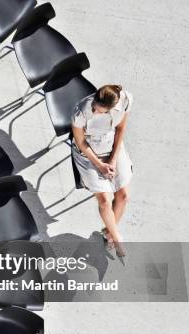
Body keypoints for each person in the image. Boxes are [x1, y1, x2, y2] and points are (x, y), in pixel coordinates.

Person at [71, 85, 133, 256]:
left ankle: (109, 233)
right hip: (89, 154)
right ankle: (117, 239)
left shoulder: (126, 100)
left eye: (100, 112)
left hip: (112, 147)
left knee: (123, 196)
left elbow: (120, 129)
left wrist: (113, 158)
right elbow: (81, 143)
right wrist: (100, 165)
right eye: (95, 109)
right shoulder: (82, 111)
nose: (95, 112)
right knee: (105, 200)